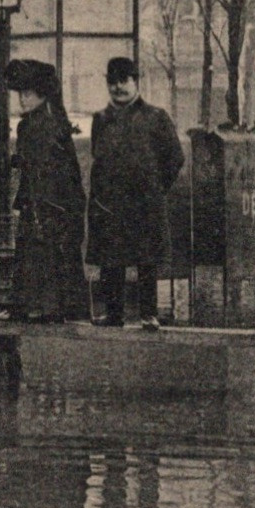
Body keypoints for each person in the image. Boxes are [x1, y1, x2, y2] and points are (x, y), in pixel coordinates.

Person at [87, 57, 185, 329]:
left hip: (145, 203)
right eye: (112, 82)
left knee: (146, 260)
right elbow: (98, 156)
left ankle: (148, 314)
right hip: (111, 203)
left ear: (136, 82)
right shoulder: (101, 119)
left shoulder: (156, 117)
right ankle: (113, 313)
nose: (117, 87)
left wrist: (156, 188)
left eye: (123, 81)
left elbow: (175, 158)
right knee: (111, 259)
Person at [3, 59, 89, 323]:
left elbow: (47, 165)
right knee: (35, 252)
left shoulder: (43, 124)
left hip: (49, 199)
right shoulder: (42, 121)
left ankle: (44, 308)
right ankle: (35, 307)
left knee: (43, 251)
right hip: (46, 198)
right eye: (20, 94)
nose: (22, 100)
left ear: (41, 94)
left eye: (27, 94)